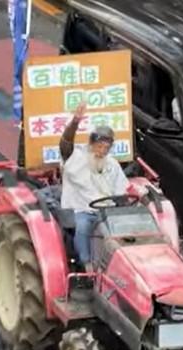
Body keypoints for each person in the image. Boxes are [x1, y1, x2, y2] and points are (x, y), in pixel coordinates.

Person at [58, 102, 129, 271]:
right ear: (91, 144)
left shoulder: (112, 164)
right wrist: (75, 122)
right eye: (99, 146)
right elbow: (65, 143)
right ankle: (87, 265)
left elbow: (121, 191)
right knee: (82, 228)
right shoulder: (76, 159)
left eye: (106, 148)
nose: (102, 151)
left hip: (108, 210)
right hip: (83, 210)